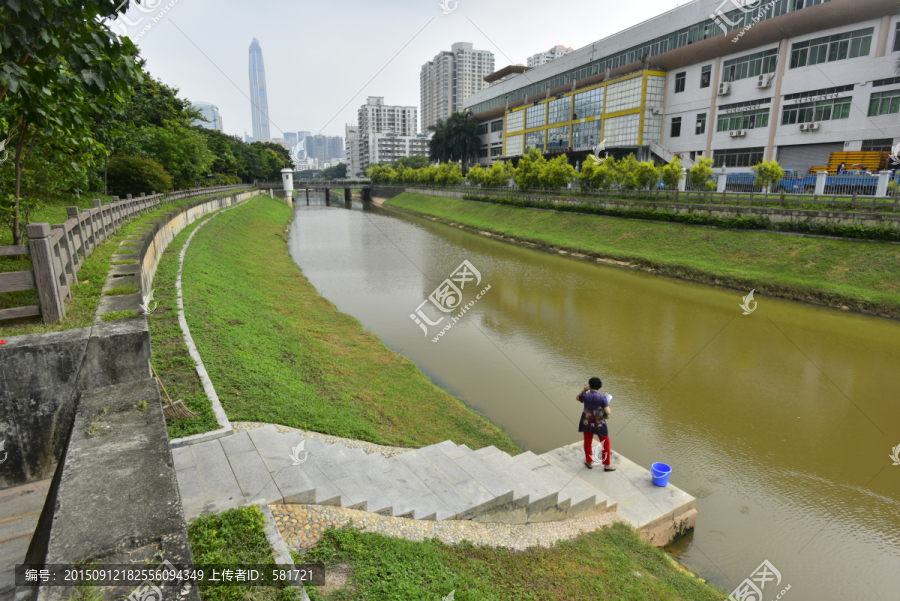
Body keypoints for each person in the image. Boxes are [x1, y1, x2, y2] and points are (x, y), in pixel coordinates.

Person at [576, 377, 616, 471]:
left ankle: (589, 462)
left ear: (589, 386)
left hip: (587, 422)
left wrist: (584, 390)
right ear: (599, 387)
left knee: (587, 442)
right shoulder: (603, 397)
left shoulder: (585, 395)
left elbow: (578, 398)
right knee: (605, 443)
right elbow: (608, 412)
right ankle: (607, 465)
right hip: (599, 424)